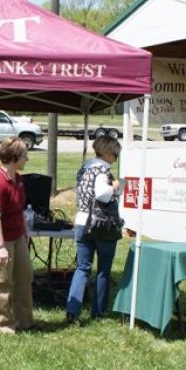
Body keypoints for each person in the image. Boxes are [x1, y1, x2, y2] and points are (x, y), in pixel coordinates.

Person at [0, 137, 36, 334]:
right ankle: (1, 325)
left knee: (25, 277)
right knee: (3, 282)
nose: (27, 159)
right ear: (13, 158)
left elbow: (20, 210)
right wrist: (1, 247)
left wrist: (25, 232)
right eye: (24, 155)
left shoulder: (18, 179)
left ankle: (25, 321)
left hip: (17, 236)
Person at [66, 136, 123, 323]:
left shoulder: (85, 168)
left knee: (82, 268)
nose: (115, 158)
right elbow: (102, 195)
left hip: (82, 222)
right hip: (101, 225)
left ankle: (72, 310)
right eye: (114, 154)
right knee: (103, 270)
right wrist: (114, 188)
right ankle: (98, 312)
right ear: (106, 153)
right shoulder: (102, 171)